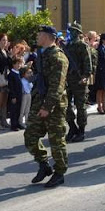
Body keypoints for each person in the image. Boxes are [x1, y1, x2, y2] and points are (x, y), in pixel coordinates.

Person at [24, 25, 69, 188]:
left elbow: (57, 85)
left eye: (40, 34)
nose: (37, 36)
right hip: (40, 100)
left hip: (54, 104)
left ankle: (59, 172)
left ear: (49, 37)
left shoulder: (58, 57)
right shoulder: (42, 55)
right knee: (30, 136)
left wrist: (47, 107)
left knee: (56, 140)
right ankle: (43, 164)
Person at [63, 21, 93, 143]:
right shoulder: (67, 46)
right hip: (68, 79)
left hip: (80, 80)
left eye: (74, 31)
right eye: (71, 31)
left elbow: (88, 64)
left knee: (81, 107)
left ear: (78, 33)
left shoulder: (82, 46)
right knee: (66, 105)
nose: (72, 32)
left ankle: (81, 130)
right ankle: (72, 127)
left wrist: (86, 76)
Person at [7, 57, 25, 131]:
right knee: (13, 111)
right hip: (14, 95)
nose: (19, 65)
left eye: (20, 64)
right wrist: (13, 96)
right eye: (17, 64)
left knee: (18, 110)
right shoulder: (11, 74)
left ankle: (17, 123)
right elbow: (11, 86)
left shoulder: (18, 73)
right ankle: (13, 125)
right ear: (13, 64)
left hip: (19, 94)